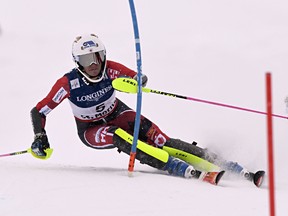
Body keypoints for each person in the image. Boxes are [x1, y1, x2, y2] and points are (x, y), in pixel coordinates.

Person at [30, 33, 264, 186]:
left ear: (103, 56)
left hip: (116, 113)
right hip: (91, 129)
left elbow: (134, 76)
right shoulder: (67, 83)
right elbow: (39, 111)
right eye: (85, 60)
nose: (92, 64)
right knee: (121, 137)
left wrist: (139, 80)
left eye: (96, 57)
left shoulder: (110, 69)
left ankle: (227, 164)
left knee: (160, 138)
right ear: (76, 62)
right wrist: (40, 137)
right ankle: (175, 166)